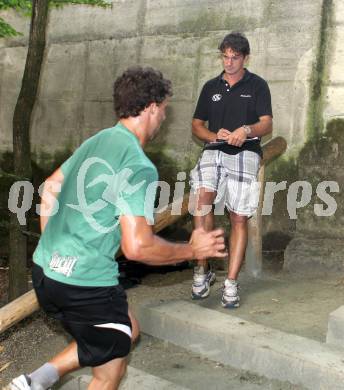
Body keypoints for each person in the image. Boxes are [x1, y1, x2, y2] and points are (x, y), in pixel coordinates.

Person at [6, 66, 226, 390]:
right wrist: (193, 250)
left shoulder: (99, 139)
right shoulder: (138, 166)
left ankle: (38, 380)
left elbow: (50, 187)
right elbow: (137, 247)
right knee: (117, 336)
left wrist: (57, 246)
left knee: (118, 351)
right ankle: (35, 381)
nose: (164, 117)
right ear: (151, 107)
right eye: (164, 109)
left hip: (44, 271)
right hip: (85, 285)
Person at [189, 32, 273, 308]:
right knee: (201, 204)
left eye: (234, 57)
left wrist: (245, 130)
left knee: (238, 216)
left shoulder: (258, 85)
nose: (229, 62)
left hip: (246, 151)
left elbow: (266, 124)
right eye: (225, 56)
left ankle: (231, 283)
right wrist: (214, 135)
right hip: (214, 150)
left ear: (245, 58)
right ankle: (202, 270)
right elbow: (197, 125)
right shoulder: (210, 86)